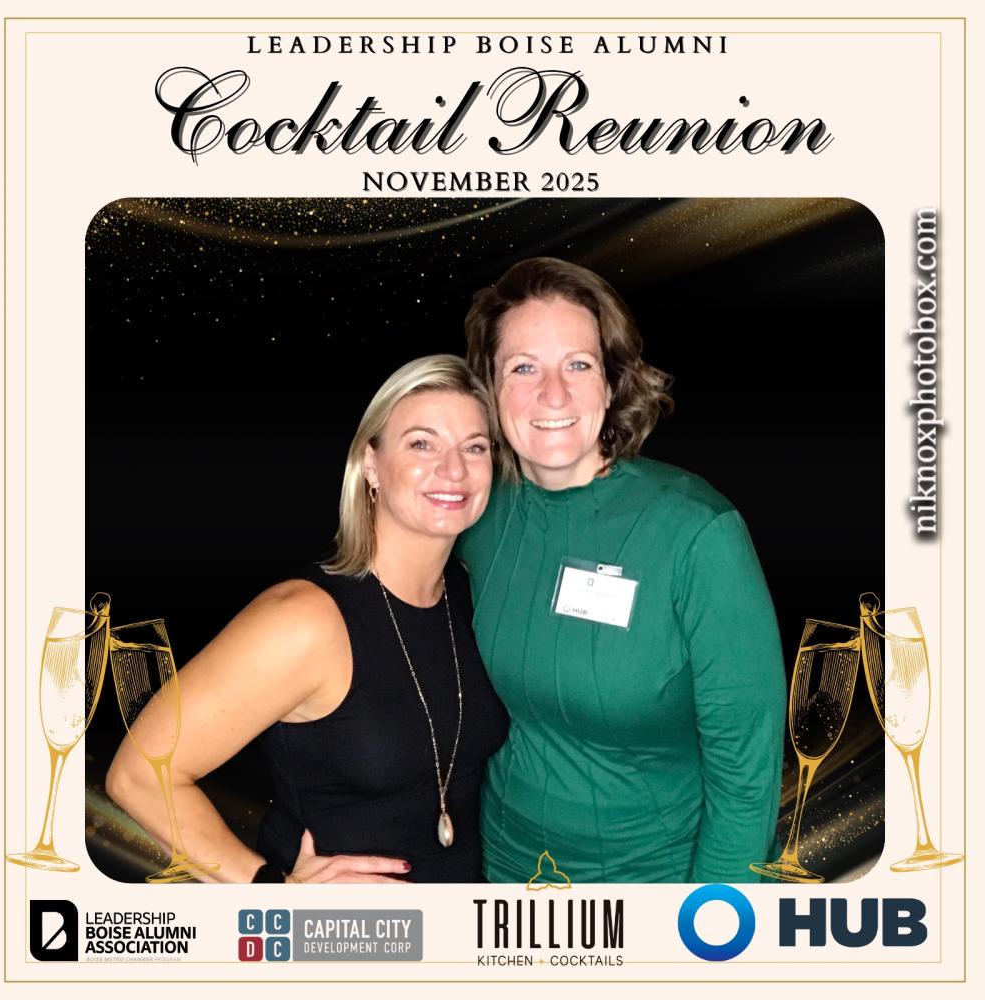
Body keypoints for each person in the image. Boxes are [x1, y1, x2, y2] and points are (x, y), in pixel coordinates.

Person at [107, 355, 509, 883]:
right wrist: (275, 892)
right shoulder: (306, 619)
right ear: (370, 465)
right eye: (421, 444)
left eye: (474, 447)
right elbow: (138, 776)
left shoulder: (469, 594)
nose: (453, 469)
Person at [459, 257, 786, 883]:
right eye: (523, 368)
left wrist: (709, 919)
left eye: (578, 365)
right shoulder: (475, 514)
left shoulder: (698, 534)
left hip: (658, 880)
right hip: (501, 869)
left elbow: (747, 776)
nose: (553, 394)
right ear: (489, 390)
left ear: (611, 384)